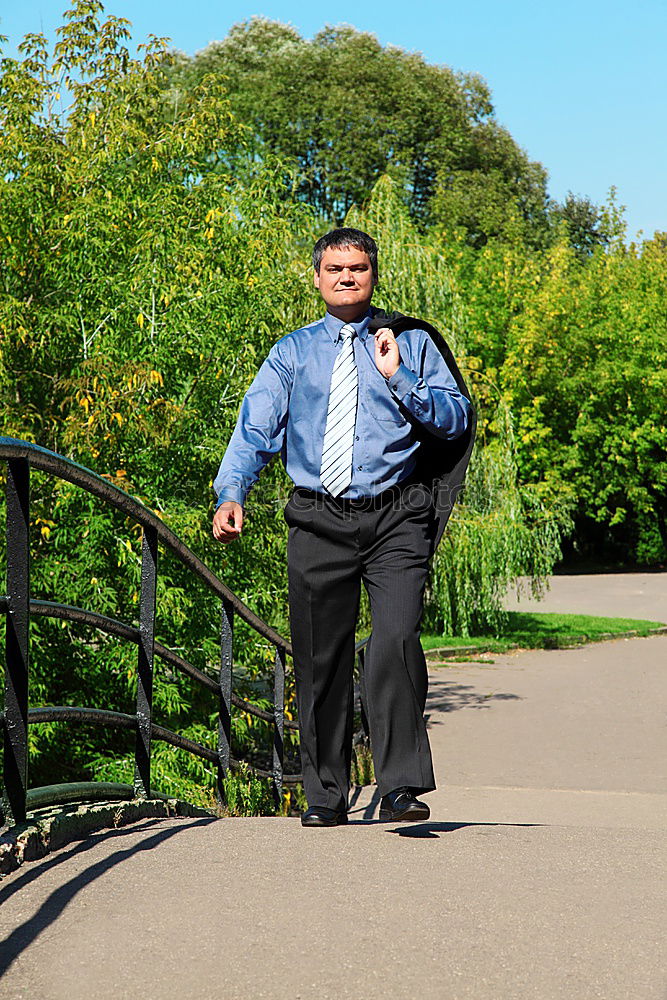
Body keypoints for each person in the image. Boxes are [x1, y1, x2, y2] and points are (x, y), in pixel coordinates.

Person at [212, 227, 472, 827]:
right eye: (335, 268)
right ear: (317, 277)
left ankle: (400, 786)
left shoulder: (409, 342)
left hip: (395, 516)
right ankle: (326, 794)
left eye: (358, 267)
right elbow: (255, 428)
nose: (347, 276)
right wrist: (232, 492)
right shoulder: (293, 352)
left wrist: (398, 377)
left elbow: (456, 419)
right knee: (319, 658)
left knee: (396, 640)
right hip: (317, 517)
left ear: (374, 273)